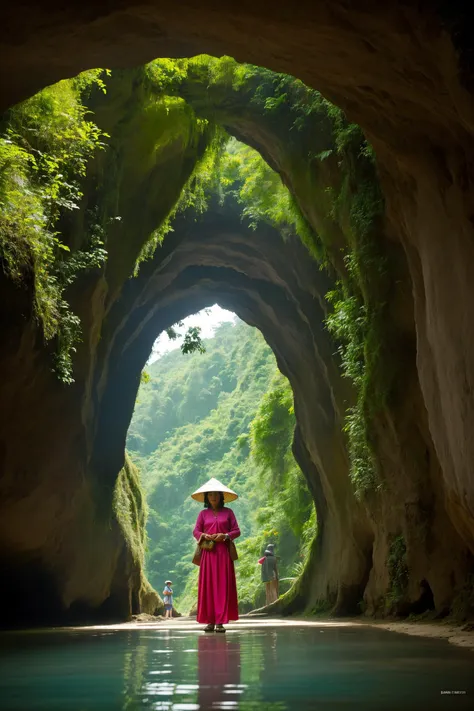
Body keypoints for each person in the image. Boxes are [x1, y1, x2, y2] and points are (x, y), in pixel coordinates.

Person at [192, 477, 241, 633]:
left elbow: (236, 531)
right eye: (210, 495)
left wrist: (225, 536)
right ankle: (210, 621)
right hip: (208, 554)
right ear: (207, 497)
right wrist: (204, 536)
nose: (213, 497)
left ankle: (220, 621)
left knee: (222, 586)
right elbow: (196, 531)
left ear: (221, 496)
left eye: (216, 494)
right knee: (208, 586)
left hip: (223, 554)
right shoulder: (202, 514)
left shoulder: (229, 512)